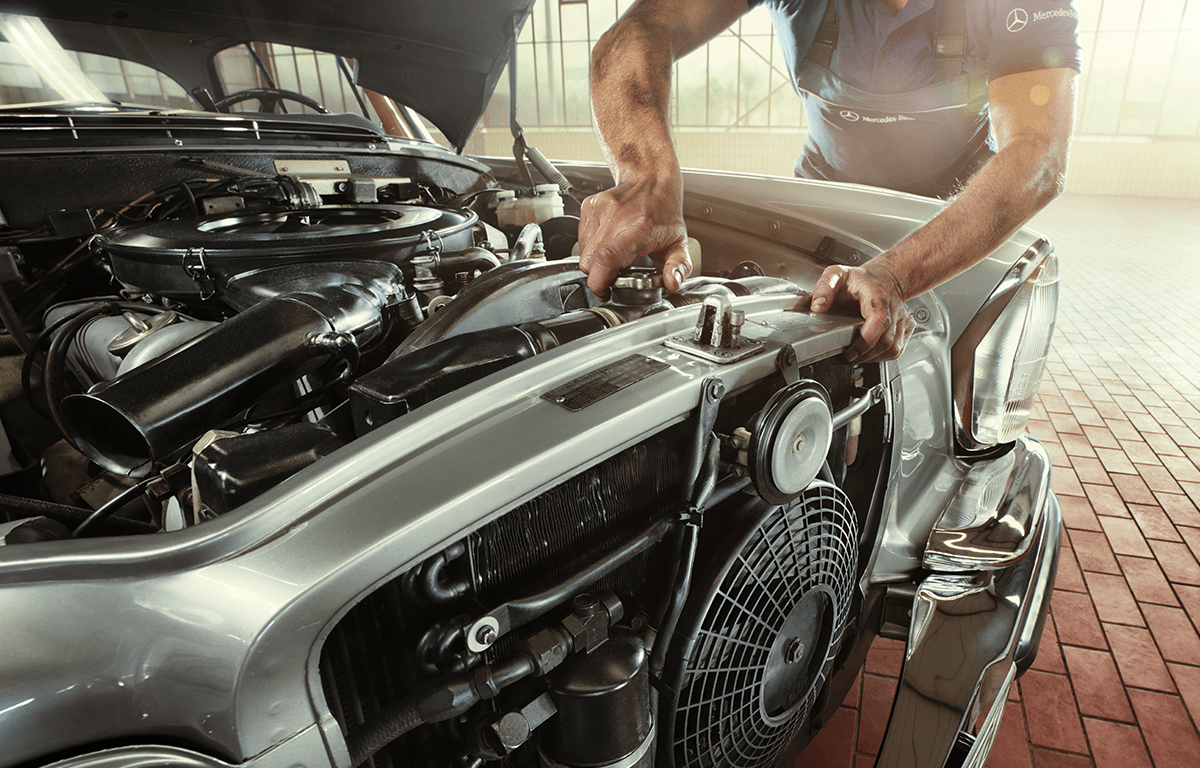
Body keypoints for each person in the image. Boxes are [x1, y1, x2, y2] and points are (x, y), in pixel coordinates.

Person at [578, 0, 1080, 363]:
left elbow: (1038, 151)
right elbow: (637, 34)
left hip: (954, 227)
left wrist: (897, 275)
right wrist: (647, 178)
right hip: (823, 210)